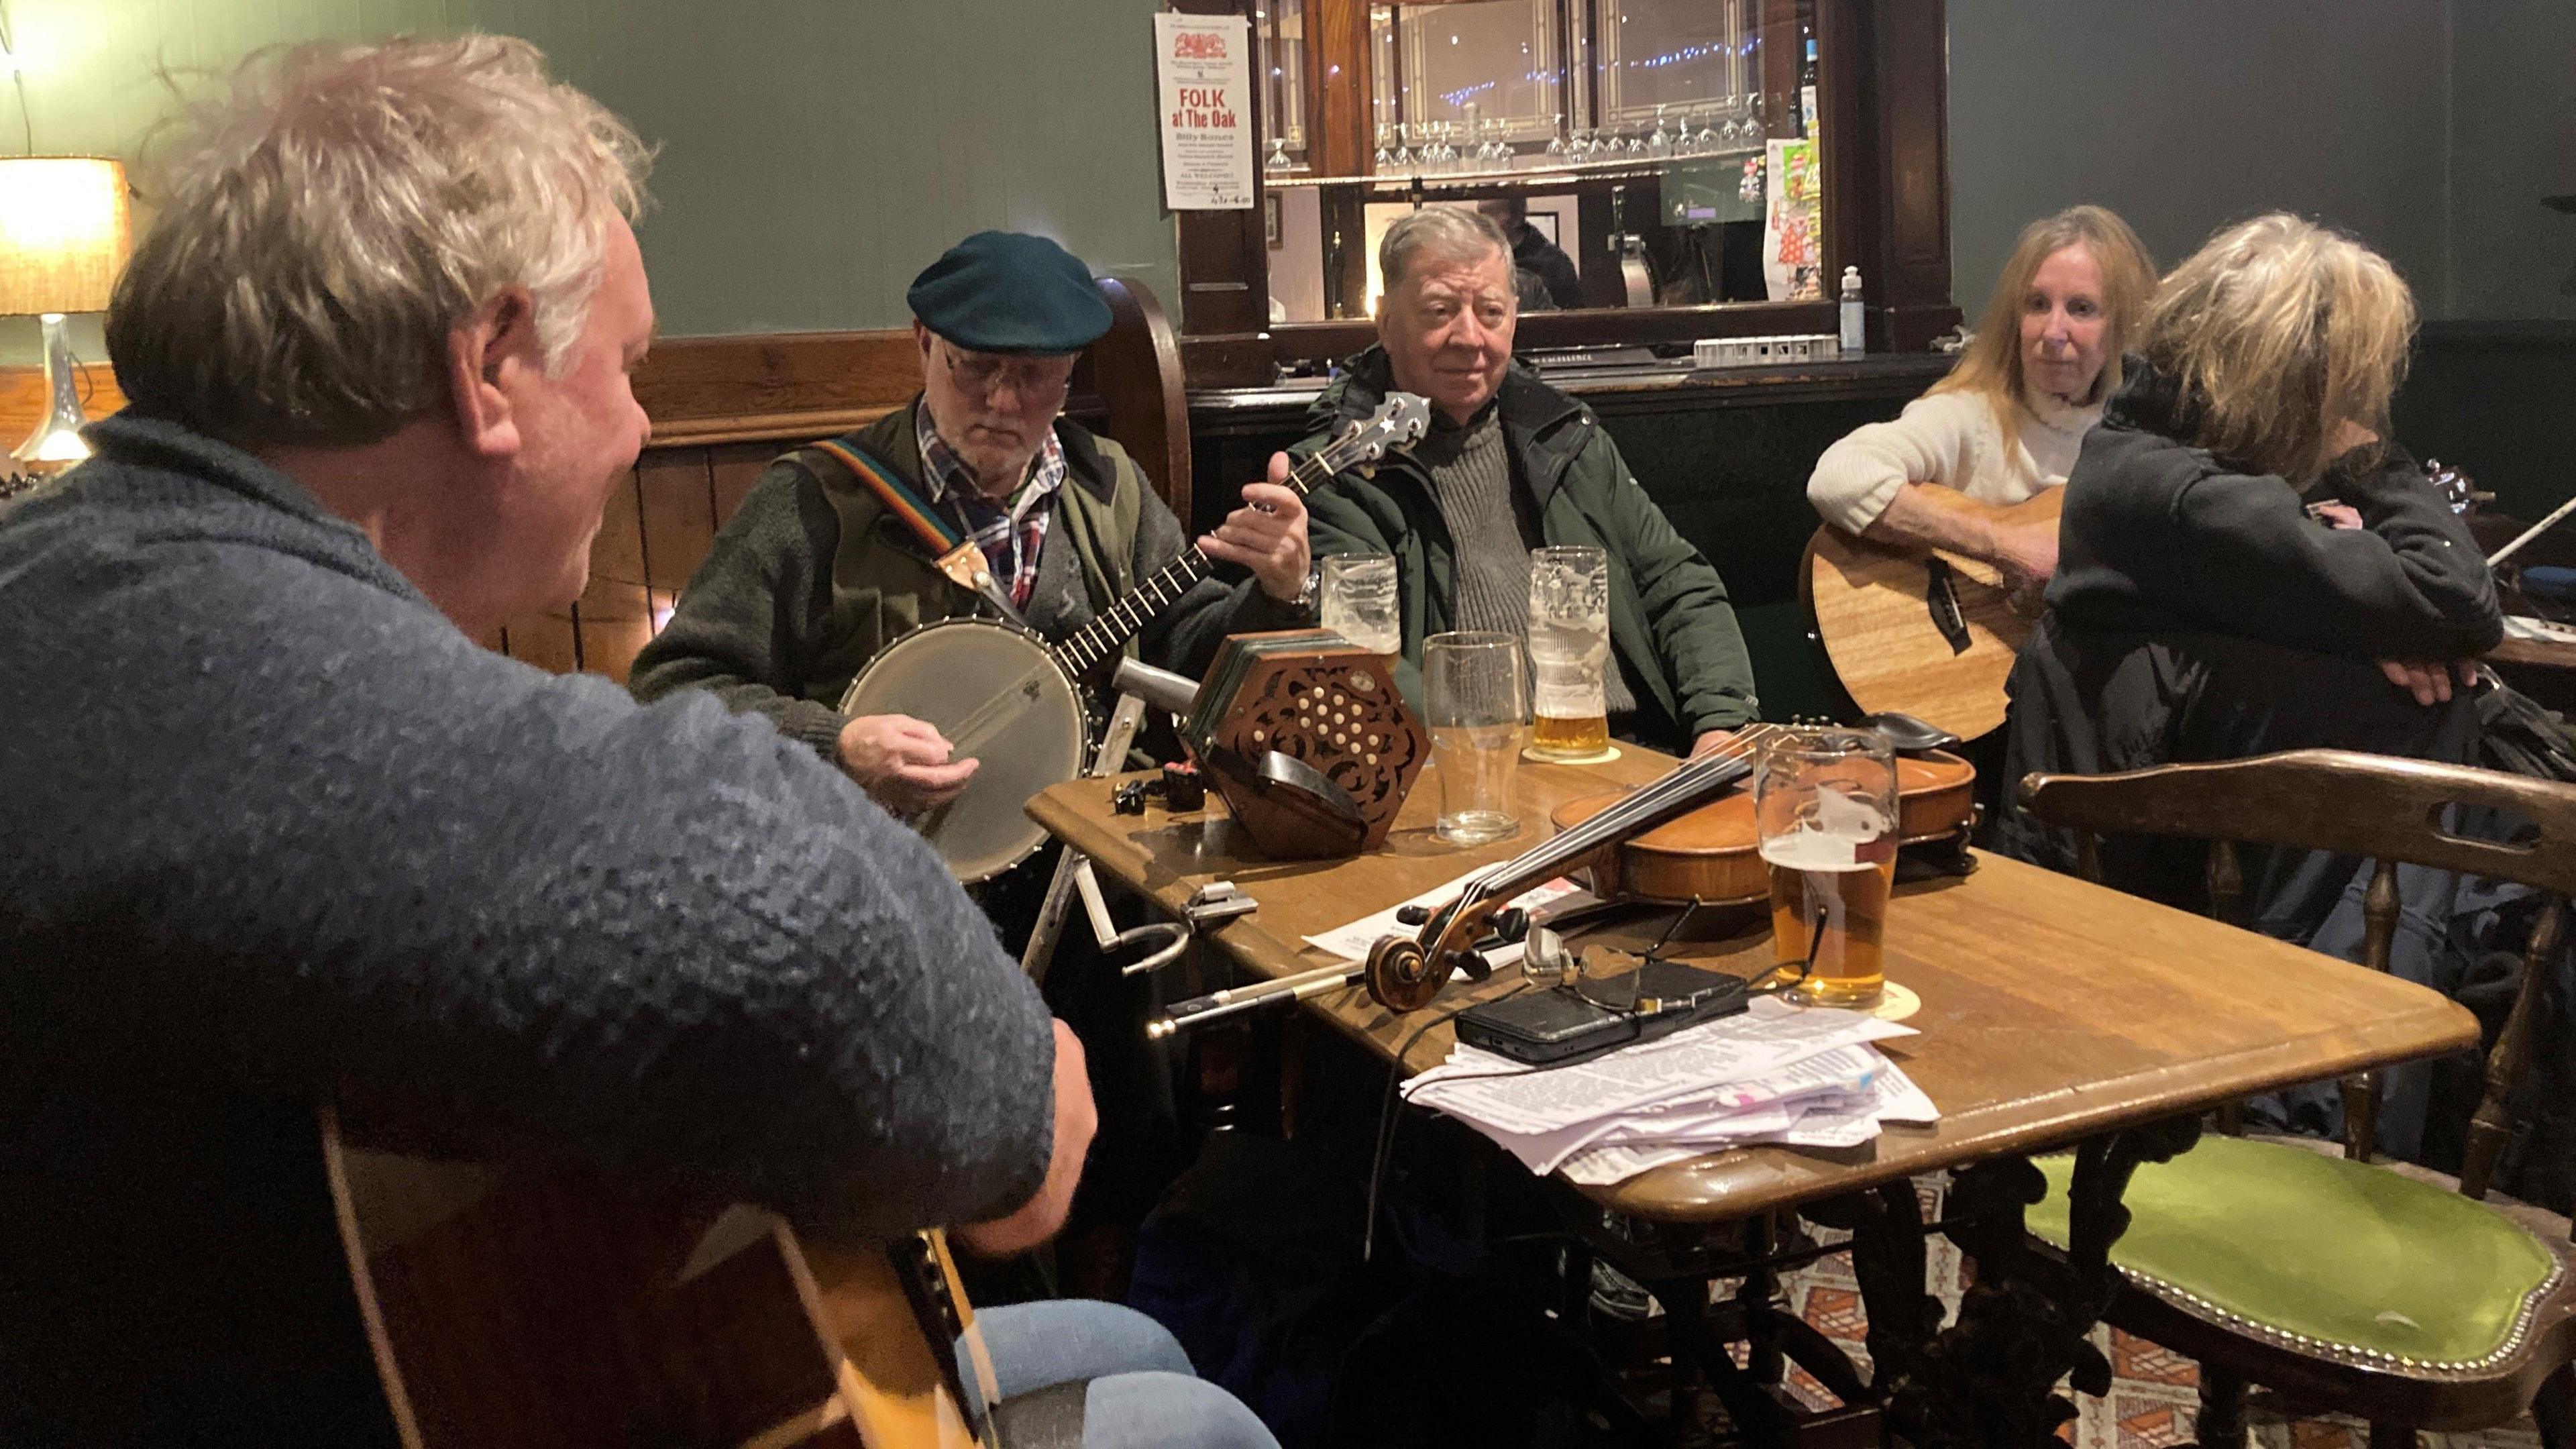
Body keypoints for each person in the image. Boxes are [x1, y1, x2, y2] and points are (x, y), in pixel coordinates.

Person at [0, 37, 1273, 1449]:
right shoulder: (505, 779)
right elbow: (1003, 1134)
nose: (643, 426)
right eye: (626, 366)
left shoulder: (55, 585)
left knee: (1133, 1339)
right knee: (1196, 1423)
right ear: (488, 368)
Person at [1991, 214, 2504, 1149]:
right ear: (2278, 374)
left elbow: (2417, 607)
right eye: (2331, 384)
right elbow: (2455, 598)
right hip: (2164, 872)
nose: (2342, 399)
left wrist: (2364, 615)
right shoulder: (2181, 490)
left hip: (2222, 851)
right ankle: (2334, 1129)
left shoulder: (2164, 458)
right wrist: (2361, 456)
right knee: (2452, 760)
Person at [629, 231, 1310, 822]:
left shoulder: (1109, 486)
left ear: (1071, 373)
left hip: (1086, 869)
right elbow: (673, 687)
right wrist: (833, 744)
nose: (1004, 401)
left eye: (1036, 375)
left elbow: (1189, 654)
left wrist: (1274, 594)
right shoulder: (814, 502)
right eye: (977, 366)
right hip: (881, 878)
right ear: (924, 343)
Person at [1297, 205, 1758, 758]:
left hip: (1629, 752)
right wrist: (1485, 762)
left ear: (1515, 318)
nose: (1469, 337)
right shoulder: (1338, 467)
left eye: (1490, 311)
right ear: (1385, 324)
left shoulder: (1563, 433)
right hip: (1474, 777)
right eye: (1440, 311)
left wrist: (1720, 727)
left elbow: (1677, 583)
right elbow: (1370, 666)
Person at [1806, 204, 2155, 594]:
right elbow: (1841, 476)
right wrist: (2001, 545)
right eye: (2038, 304)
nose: (2053, 331)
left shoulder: (2140, 439)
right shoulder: (1973, 415)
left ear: (2121, 327)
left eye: (2081, 309)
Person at [1477, 193, 1585, 311]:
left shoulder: (1554, 264)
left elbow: (1572, 320)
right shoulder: (1475, 257)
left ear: (1516, 218)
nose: (1480, 223)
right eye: (1480, 214)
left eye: (1489, 215)